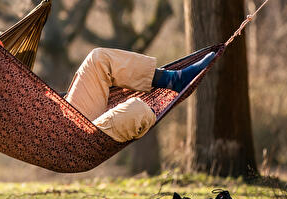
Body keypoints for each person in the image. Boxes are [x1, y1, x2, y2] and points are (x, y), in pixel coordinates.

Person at [65, 48, 216, 142]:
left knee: (98, 58)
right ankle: (163, 92)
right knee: (138, 110)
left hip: (64, 116)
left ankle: (173, 79)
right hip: (71, 140)